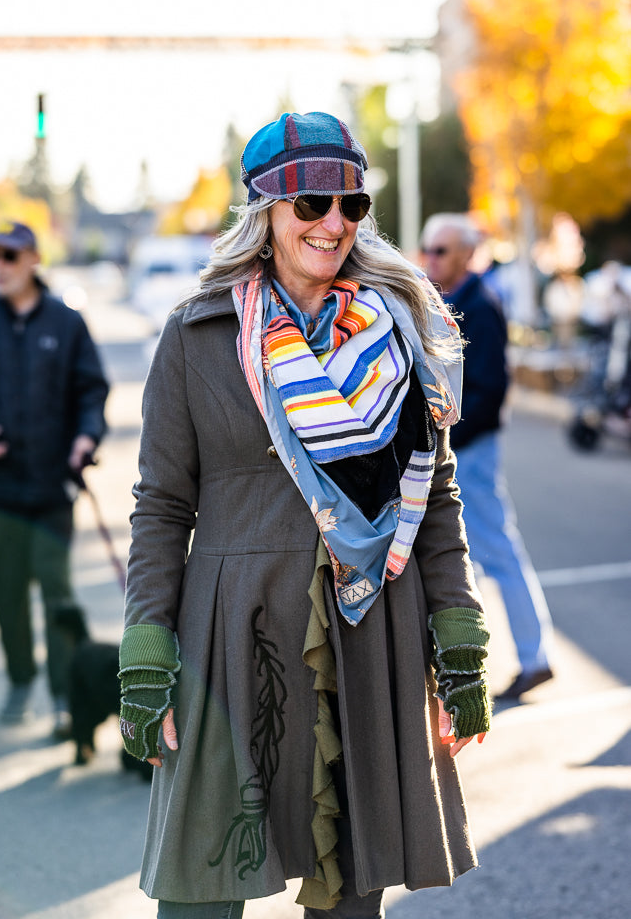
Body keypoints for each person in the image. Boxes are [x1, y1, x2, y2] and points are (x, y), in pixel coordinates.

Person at [119, 113, 492, 919]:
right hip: (231, 633)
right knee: (201, 891)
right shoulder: (196, 335)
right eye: (311, 204)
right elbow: (161, 504)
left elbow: (434, 502)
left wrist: (457, 638)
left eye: (350, 205)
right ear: (264, 214)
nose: (333, 223)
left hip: (369, 634)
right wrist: (147, 648)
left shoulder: (398, 335)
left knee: (353, 896)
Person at [0, 221, 109, 734]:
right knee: (7, 592)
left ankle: (66, 696)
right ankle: (20, 679)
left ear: (32, 260)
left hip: (52, 487)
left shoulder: (65, 323)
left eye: (8, 256)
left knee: (56, 593)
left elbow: (91, 390)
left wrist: (86, 438)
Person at [420, 213, 555, 701]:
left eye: (442, 251)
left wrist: (448, 431)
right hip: (463, 446)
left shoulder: (479, 306)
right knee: (470, 556)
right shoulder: (451, 301)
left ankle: (534, 656)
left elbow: (491, 388)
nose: (431, 259)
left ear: (467, 254)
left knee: (494, 550)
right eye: (427, 250)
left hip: (471, 449)